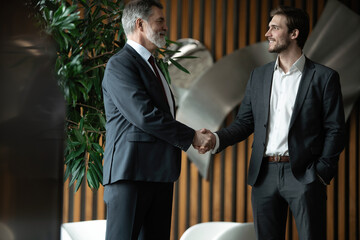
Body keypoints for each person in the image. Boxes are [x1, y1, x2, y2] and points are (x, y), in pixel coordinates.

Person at [199, 6, 346, 240]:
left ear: (294, 34)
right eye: (269, 27)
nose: (267, 33)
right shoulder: (258, 76)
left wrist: (320, 173)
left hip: (305, 175)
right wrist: (216, 139)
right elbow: (245, 122)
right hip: (263, 175)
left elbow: (335, 129)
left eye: (275, 28)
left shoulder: (324, 77)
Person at [101, 0, 212, 239]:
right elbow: (144, 115)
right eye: (160, 21)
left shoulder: (154, 65)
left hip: (159, 175)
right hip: (130, 176)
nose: (165, 27)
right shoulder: (119, 65)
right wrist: (191, 136)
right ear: (140, 24)